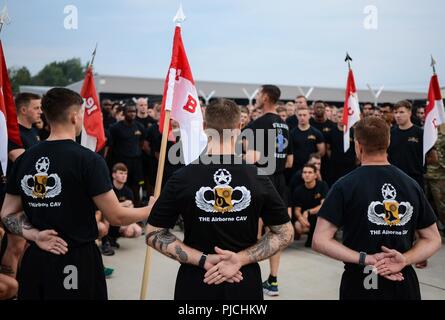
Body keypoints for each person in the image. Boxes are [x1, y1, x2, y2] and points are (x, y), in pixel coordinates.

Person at [0, 88, 152, 300]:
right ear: (74, 116)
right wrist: (151, 208)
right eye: (82, 113)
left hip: (36, 258)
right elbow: (116, 216)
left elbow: (7, 214)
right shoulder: (89, 160)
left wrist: (35, 235)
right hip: (76, 259)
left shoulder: (25, 159)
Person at [145, 98, 293, 300]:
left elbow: (154, 233)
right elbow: (285, 233)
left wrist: (203, 259)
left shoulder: (182, 178)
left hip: (197, 280)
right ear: (240, 127)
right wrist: (239, 259)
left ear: (205, 128)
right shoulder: (258, 177)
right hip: (243, 281)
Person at [313, 116, 442, 300]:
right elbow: (433, 239)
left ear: (358, 145)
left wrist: (366, 259)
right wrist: (404, 259)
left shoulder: (344, 185)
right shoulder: (411, 185)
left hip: (361, 280)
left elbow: (320, 240)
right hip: (402, 281)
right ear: (388, 142)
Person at [245, 85, 293, 297]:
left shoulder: (257, 124)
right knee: (276, 232)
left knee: (250, 230)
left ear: (265, 97)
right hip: (280, 180)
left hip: (261, 180)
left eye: (257, 94)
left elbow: (251, 158)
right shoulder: (284, 125)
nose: (256, 97)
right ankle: (273, 280)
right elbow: (290, 161)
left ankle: (246, 274)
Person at [2, 93, 42, 281]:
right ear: (23, 109)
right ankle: (10, 288)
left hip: (31, 196)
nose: (40, 112)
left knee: (25, 244)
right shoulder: (12, 133)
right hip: (14, 197)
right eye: (36, 108)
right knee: (15, 244)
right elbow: (21, 160)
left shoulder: (34, 133)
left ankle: (21, 283)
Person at [101, 163, 142, 255]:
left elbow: (130, 209)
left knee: (137, 231)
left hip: (120, 220)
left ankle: (113, 238)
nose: (124, 176)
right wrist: (123, 204)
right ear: (113, 175)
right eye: (121, 173)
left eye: (125, 173)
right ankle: (105, 242)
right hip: (107, 219)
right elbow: (106, 207)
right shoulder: (108, 188)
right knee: (106, 214)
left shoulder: (128, 191)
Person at [109, 103, 146, 204]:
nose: (132, 114)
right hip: (122, 161)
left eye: (134, 111)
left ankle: (137, 207)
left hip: (136, 162)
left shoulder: (140, 126)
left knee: (137, 186)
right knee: (122, 184)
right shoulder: (115, 128)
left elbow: (142, 143)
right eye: (129, 111)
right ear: (124, 113)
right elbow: (111, 145)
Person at [388, 100, 424, 189]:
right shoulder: (390, 133)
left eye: (401, 112)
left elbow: (430, 157)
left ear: (409, 113)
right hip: (395, 177)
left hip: (415, 178)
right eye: (395, 112)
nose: (398, 115)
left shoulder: (420, 133)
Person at [291, 164, 329, 246]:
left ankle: (320, 237)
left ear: (315, 175)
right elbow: (297, 210)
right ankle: (310, 236)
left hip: (319, 216)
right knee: (298, 226)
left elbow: (324, 205)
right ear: (302, 175)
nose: (307, 175)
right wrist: (301, 219)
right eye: (304, 172)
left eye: (310, 172)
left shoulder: (322, 185)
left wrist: (308, 212)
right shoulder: (298, 190)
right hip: (306, 219)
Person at [326, 108, 357, 186]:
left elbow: (357, 148)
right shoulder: (331, 132)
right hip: (335, 165)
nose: (341, 119)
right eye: (339, 117)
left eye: (343, 117)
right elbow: (328, 148)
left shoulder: (353, 132)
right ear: (336, 117)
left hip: (350, 165)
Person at [289, 107, 325, 174]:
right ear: (296, 116)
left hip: (311, 168)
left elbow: (322, 152)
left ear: (309, 116)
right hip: (295, 168)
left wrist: (312, 160)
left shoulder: (316, 133)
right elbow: (288, 151)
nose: (302, 117)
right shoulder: (291, 133)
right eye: (300, 115)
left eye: (304, 115)